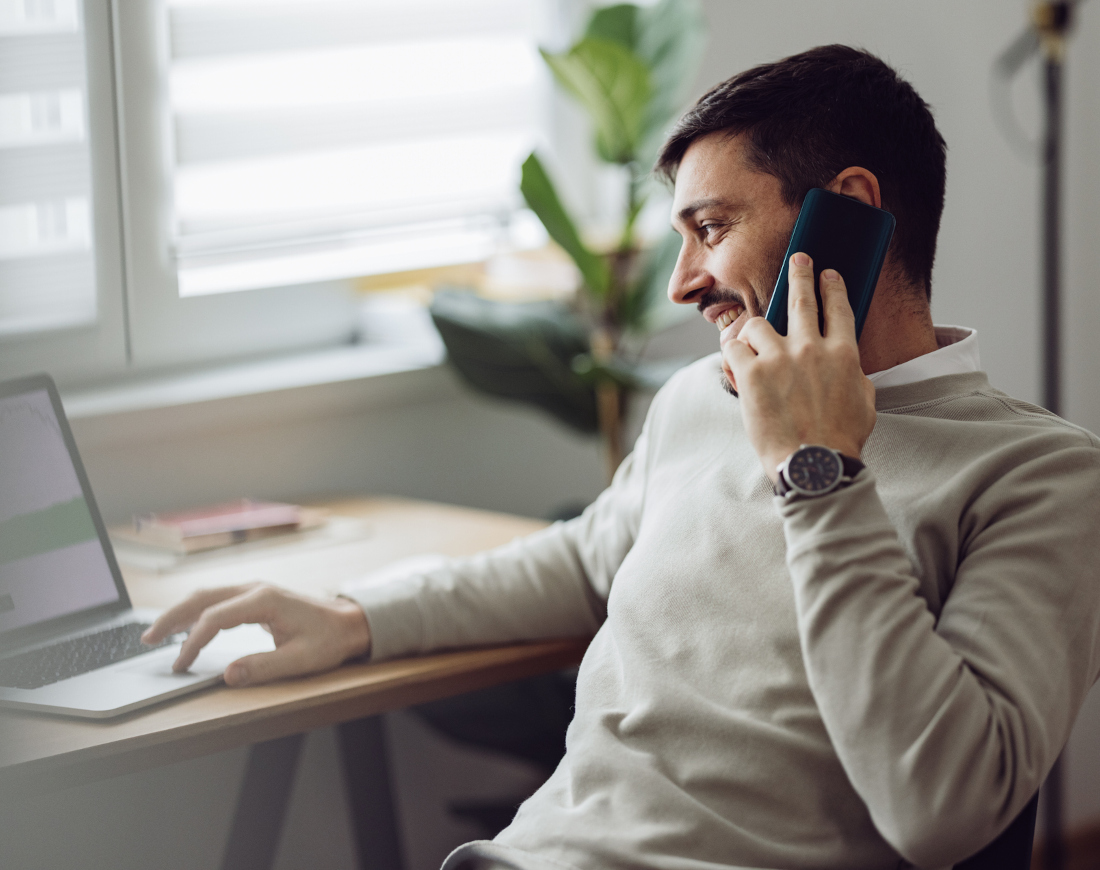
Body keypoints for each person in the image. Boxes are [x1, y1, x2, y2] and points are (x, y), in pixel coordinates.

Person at [143, 45, 1100, 870]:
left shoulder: (1041, 479)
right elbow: (582, 558)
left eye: (712, 229)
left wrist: (818, 464)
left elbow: (941, 806)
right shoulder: (701, 402)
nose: (683, 283)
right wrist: (355, 618)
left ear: (844, 212)